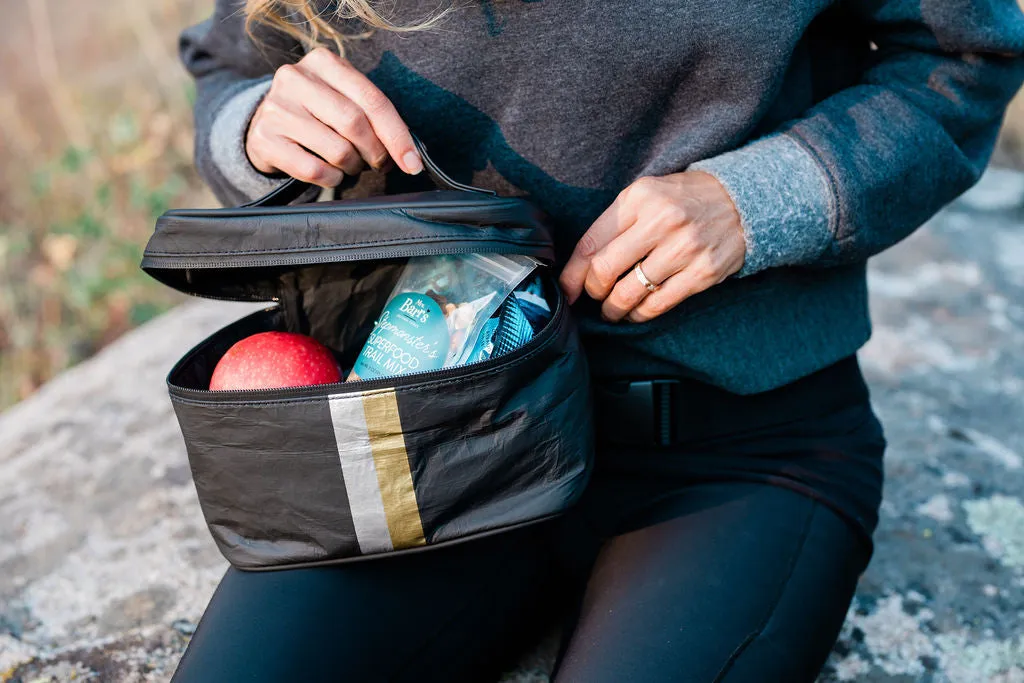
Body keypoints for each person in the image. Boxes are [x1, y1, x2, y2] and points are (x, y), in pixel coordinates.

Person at [171, 1, 1024, 681]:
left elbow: (963, 58)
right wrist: (259, 130)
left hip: (731, 453)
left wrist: (758, 199)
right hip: (424, 440)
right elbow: (230, 66)